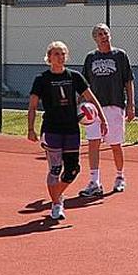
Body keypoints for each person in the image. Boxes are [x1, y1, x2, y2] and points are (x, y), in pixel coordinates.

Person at [28, 41, 107, 220]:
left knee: (73, 170)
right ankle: (56, 204)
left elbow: (91, 98)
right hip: (52, 129)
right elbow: (32, 106)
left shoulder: (75, 76)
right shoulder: (42, 79)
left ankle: (56, 195)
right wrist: (30, 129)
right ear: (49, 58)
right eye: (56, 54)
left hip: (71, 129)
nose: (60, 57)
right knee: (55, 169)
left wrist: (102, 119)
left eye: (63, 53)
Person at [79, 23, 135, 197]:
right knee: (93, 142)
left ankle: (119, 177)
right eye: (100, 34)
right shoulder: (90, 58)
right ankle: (95, 182)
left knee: (115, 144)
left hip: (114, 105)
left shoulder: (120, 55)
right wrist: (79, 105)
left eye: (106, 33)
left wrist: (131, 104)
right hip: (93, 109)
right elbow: (84, 85)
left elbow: (128, 81)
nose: (104, 36)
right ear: (95, 39)